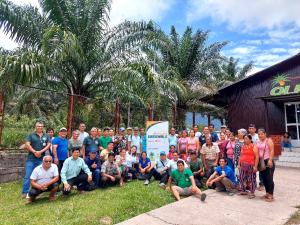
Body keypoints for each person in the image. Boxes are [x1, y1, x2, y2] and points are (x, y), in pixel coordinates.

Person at [22, 121, 51, 198]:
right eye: (38, 126)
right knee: (28, 175)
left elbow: (48, 145)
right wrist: (34, 152)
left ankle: (38, 191)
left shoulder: (46, 135)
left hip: (41, 159)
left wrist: (40, 152)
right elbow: (27, 144)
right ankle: (25, 192)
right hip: (31, 159)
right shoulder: (31, 135)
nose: (40, 127)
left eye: (41, 126)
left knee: (39, 176)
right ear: (35, 127)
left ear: (43, 127)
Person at [257, 128, 275, 202]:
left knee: (269, 178)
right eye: (259, 134)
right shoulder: (258, 141)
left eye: (261, 134)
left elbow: (272, 150)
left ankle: (271, 195)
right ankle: (267, 193)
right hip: (261, 162)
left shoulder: (268, 140)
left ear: (265, 134)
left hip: (268, 161)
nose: (260, 135)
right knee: (263, 178)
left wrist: (270, 160)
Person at [239, 135, 259, 199]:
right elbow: (240, 156)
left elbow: (257, 157)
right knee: (241, 177)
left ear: (250, 139)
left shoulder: (254, 146)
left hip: (251, 165)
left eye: (246, 139)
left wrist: (255, 166)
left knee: (251, 179)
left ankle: (252, 192)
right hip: (243, 165)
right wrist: (239, 164)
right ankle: (244, 190)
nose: (245, 140)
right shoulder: (243, 146)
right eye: (244, 139)